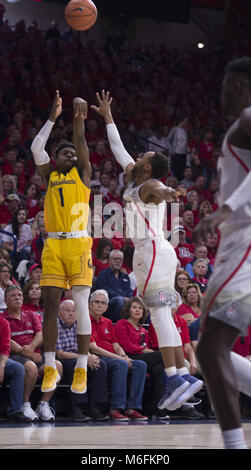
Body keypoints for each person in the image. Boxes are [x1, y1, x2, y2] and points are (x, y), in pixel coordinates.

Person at [91, 90, 203, 412]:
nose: (140, 154)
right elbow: (118, 149)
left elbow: (165, 190)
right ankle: (180, 373)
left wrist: (174, 191)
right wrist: (109, 117)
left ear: (151, 166)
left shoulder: (150, 185)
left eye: (147, 155)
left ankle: (174, 377)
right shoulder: (133, 179)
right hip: (156, 252)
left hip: (152, 250)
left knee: (158, 312)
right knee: (162, 313)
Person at [192, 57, 251, 449]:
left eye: (226, 85)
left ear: (238, 86)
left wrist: (227, 209)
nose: (221, 93)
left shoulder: (248, 118)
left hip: (246, 241)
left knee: (211, 348)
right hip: (238, 240)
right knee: (211, 348)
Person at [31, 90, 93, 395]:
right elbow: (36, 147)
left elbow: (80, 144)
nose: (70, 156)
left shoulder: (82, 173)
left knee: (81, 305)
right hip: (53, 245)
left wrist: (77, 119)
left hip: (79, 244)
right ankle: (52, 366)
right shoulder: (50, 175)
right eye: (64, 154)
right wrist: (52, 118)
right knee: (51, 307)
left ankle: (81, 365)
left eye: (72, 154)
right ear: (56, 159)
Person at [2, 284, 62, 422]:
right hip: (14, 355)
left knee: (56, 365)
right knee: (30, 367)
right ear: (5, 301)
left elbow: (40, 334)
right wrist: (29, 354)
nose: (17, 298)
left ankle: (43, 404)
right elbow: (7, 341)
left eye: (19, 295)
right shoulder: (2, 317)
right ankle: (25, 404)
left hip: (34, 353)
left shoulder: (31, 314)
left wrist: (32, 346)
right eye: (13, 296)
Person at [89, 289, 148, 421]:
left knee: (140, 365)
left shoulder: (108, 322)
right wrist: (119, 358)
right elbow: (94, 348)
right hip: (99, 357)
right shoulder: (86, 320)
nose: (99, 305)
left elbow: (116, 345)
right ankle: (115, 408)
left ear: (107, 307)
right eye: (96, 302)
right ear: (89, 304)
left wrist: (124, 356)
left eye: (103, 303)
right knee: (121, 364)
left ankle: (132, 408)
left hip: (114, 357)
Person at [115, 297, 170, 420]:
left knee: (159, 368)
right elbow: (126, 346)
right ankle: (176, 382)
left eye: (140, 308)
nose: (137, 310)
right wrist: (143, 350)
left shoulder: (143, 330)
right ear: (128, 310)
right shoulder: (122, 324)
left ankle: (157, 408)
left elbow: (147, 347)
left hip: (142, 358)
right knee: (162, 355)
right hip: (129, 357)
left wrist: (146, 351)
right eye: (134, 307)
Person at [56, 300, 109, 422]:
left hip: (80, 356)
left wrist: (90, 357)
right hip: (63, 359)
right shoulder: (55, 325)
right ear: (59, 313)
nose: (71, 314)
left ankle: (94, 406)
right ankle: (77, 407)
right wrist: (83, 358)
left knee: (100, 364)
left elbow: (84, 346)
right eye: (67, 311)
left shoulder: (79, 324)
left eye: (73, 311)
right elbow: (60, 353)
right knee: (78, 365)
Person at [0, 312, 31, 422]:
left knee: (18, 368)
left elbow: (5, 347)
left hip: (0, 358)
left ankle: (16, 411)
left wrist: (2, 365)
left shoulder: (3, 322)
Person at [95, 250, 133, 323]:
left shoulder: (125, 276)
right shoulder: (103, 274)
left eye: (120, 259)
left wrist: (130, 299)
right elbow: (104, 291)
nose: (118, 261)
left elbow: (129, 291)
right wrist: (123, 297)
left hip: (124, 302)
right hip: (108, 305)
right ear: (109, 261)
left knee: (140, 303)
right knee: (120, 300)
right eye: (115, 259)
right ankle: (119, 326)